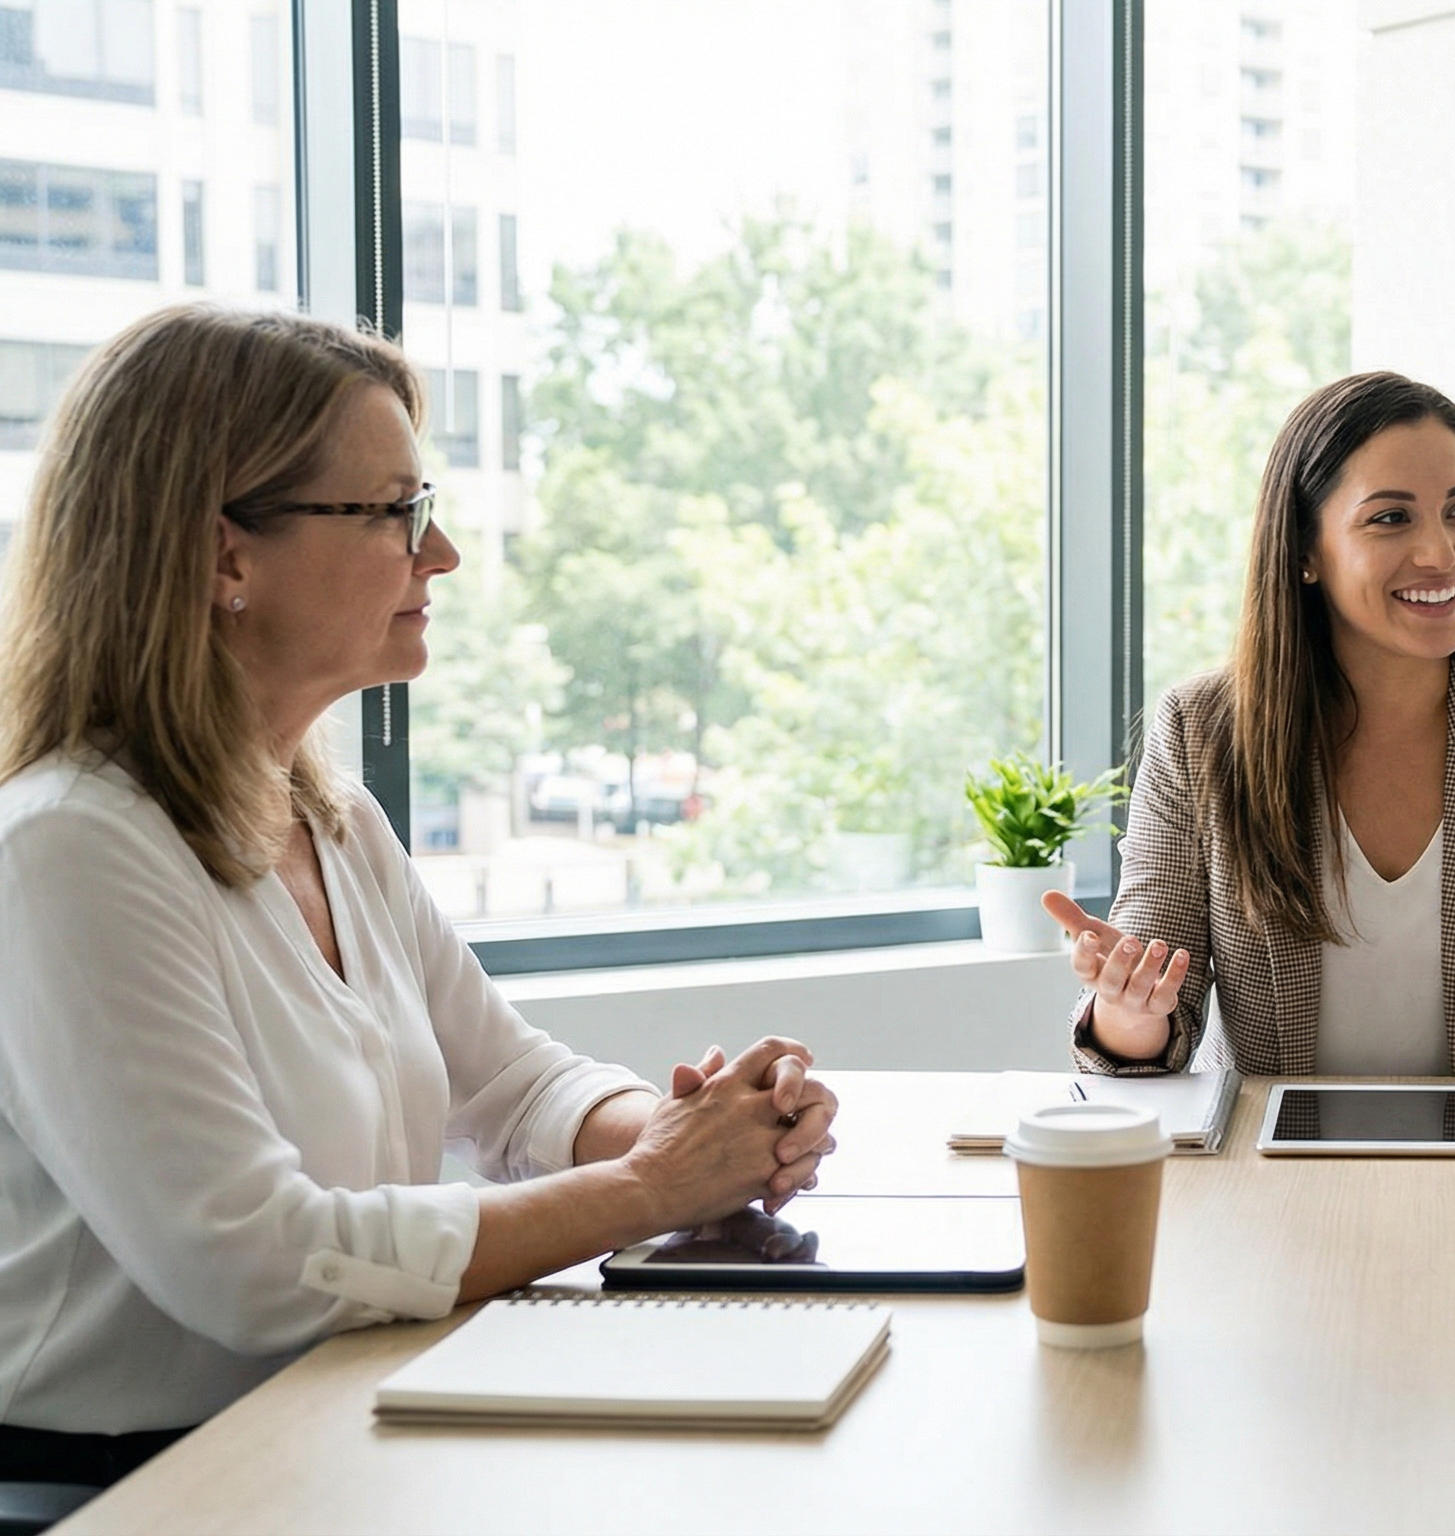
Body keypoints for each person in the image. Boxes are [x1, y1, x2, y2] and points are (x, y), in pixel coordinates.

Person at [0, 305, 842, 1488]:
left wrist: (695, 1134)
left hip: (337, 1424)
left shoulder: (335, 823)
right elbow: (256, 1267)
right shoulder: (66, 851)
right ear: (225, 556)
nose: (438, 554)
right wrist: (651, 1185)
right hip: (132, 1486)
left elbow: (509, 1085)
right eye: (396, 512)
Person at [1043, 371, 1455, 1079]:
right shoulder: (1203, 731)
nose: (1441, 554)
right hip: (1272, 1146)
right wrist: (1129, 1008)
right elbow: (1151, 1018)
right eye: (1391, 518)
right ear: (1305, 551)